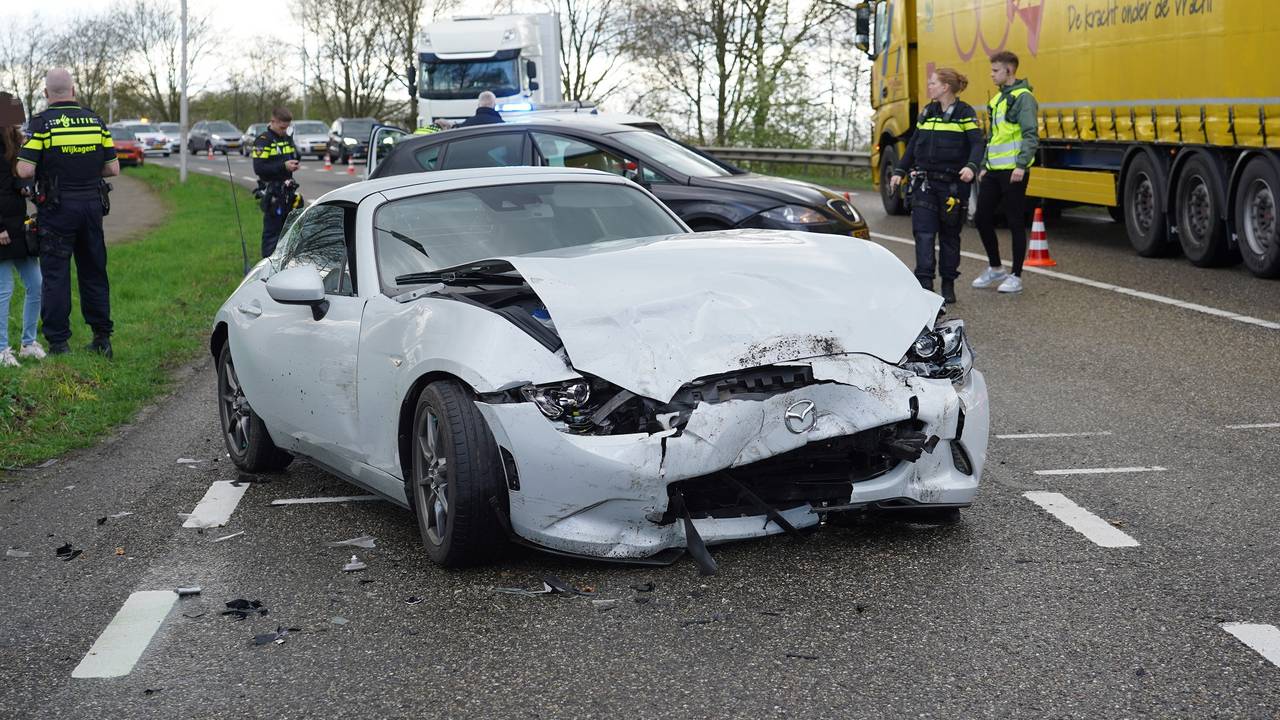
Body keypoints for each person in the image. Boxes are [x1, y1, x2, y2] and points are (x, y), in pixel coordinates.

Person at [16, 69, 119, 358]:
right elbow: (113, 168)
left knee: (56, 275)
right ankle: (102, 337)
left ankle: (59, 344)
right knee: (94, 271)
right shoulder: (95, 120)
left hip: (58, 209)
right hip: (91, 207)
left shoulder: (42, 124)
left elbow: (25, 169)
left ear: (47, 94)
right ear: (73, 90)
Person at [888, 68, 984, 304]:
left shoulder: (964, 113)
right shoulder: (928, 112)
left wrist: (972, 166)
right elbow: (913, 144)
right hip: (924, 184)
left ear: (945, 87)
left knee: (950, 237)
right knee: (923, 234)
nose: (929, 87)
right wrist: (899, 170)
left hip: (952, 187)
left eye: (932, 83)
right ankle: (925, 286)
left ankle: (948, 283)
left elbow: (977, 143)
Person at [972, 50, 1039, 294]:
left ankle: (1016, 276)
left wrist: (1021, 164)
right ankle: (996, 267)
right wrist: (983, 165)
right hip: (993, 170)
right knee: (981, 218)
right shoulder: (997, 100)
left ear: (1009, 70)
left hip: (1014, 171)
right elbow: (993, 137)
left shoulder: (1023, 97)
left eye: (995, 70)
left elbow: (1030, 134)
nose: (991, 75)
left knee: (1014, 221)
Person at [0, 97, 44, 367]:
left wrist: (23, 187)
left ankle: (29, 343)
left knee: (36, 284)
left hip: (19, 225)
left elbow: (11, 180)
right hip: (2, 229)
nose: (19, 120)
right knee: (4, 290)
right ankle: (2, 349)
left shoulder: (17, 143)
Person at [252, 107, 301, 258]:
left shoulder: (286, 138)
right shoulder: (263, 141)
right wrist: (283, 166)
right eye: (282, 127)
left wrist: (294, 161)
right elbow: (259, 168)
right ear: (273, 121)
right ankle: (267, 268)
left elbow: (293, 156)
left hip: (288, 192)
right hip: (273, 194)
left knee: (289, 233)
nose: (284, 131)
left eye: (287, 128)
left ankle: (284, 265)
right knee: (272, 235)